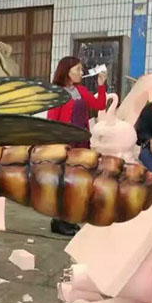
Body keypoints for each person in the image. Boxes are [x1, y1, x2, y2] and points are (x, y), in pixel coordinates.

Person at [46, 56, 107, 235]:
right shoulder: (57, 93)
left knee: (77, 182)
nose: (81, 72)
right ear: (67, 71)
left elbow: (99, 104)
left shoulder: (80, 90)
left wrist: (101, 86)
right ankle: (59, 220)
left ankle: (68, 218)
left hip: (81, 142)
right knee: (64, 183)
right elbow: (52, 121)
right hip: (66, 144)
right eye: (78, 69)